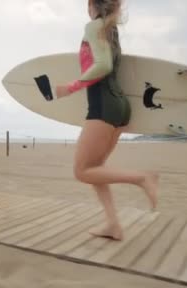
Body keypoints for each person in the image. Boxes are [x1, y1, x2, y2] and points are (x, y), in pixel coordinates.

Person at [55, 0, 159, 241]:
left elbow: (103, 65)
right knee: (96, 168)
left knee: (82, 171)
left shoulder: (94, 27)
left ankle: (142, 178)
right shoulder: (111, 30)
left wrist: (70, 88)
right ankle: (113, 224)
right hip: (120, 107)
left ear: (91, 5)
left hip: (103, 106)